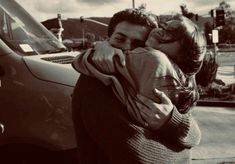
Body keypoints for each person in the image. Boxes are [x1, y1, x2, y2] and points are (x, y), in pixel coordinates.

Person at [72, 8, 203, 164]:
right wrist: (182, 150)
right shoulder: (95, 82)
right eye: (120, 39)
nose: (127, 48)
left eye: (138, 44)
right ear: (108, 38)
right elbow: (138, 156)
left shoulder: (155, 78)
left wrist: (172, 121)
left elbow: (194, 134)